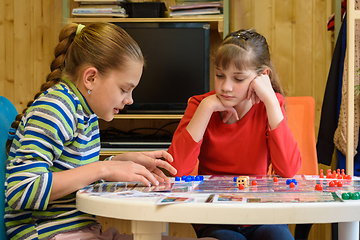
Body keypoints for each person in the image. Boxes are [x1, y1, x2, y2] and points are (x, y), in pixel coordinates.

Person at [4, 22, 177, 240]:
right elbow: (21, 191)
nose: (130, 100)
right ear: (91, 78)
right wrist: (102, 169)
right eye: (124, 89)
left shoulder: (85, 113)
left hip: (80, 232)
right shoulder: (55, 109)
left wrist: (119, 163)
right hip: (44, 233)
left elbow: (74, 176)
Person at [168, 29, 302, 240]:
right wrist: (206, 107)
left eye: (238, 79)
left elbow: (287, 170)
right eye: (220, 75)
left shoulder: (270, 106)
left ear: (262, 77)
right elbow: (176, 170)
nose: (226, 87)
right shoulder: (200, 105)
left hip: (261, 215)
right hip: (216, 217)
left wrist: (270, 101)